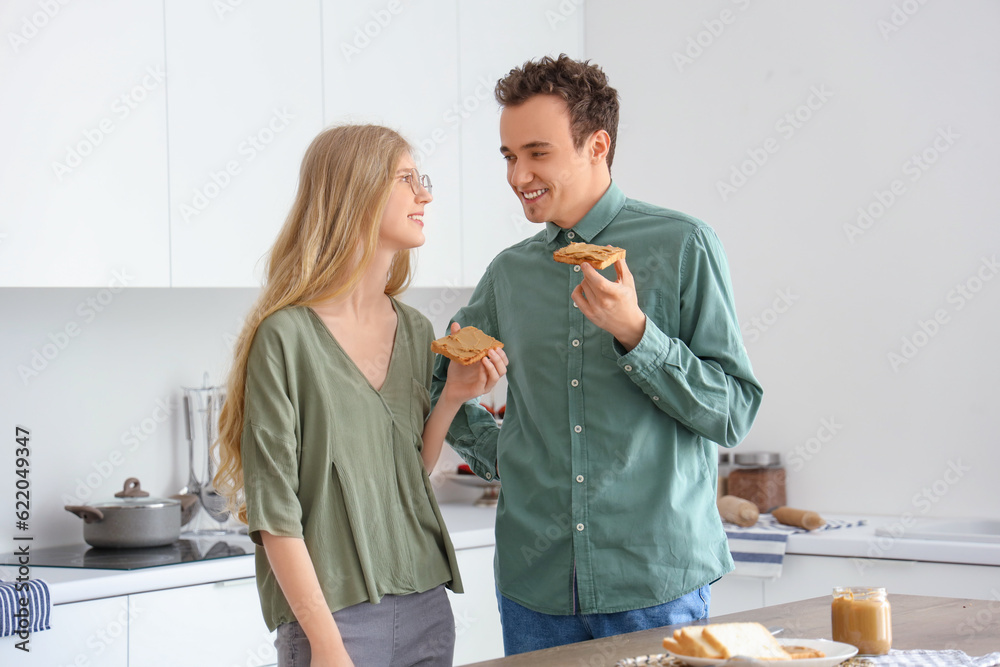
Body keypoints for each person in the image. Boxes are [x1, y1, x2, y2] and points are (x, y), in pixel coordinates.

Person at [431, 55, 763, 655]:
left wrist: (638, 332)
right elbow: (438, 386)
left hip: (655, 583)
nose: (518, 175)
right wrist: (503, 453)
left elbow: (733, 410)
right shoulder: (510, 273)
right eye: (509, 156)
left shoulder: (683, 244)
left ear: (597, 145)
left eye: (537, 152)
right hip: (537, 590)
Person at [214, 124, 508, 667]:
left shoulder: (418, 330)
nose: (426, 194)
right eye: (406, 179)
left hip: (425, 605)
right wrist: (326, 645)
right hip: (333, 620)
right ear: (357, 192)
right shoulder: (285, 338)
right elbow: (276, 513)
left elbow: (408, 470)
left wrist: (450, 400)